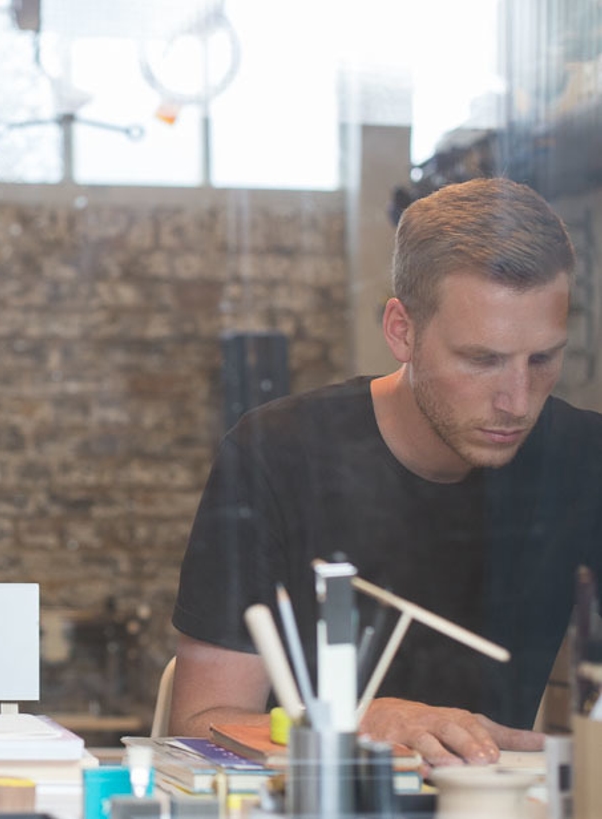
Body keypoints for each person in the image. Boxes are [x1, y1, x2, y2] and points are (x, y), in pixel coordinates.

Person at [168, 177, 602, 768]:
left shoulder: (585, 458)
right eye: (482, 360)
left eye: (543, 358)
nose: (518, 401)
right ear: (402, 330)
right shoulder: (280, 453)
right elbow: (199, 727)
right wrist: (358, 721)